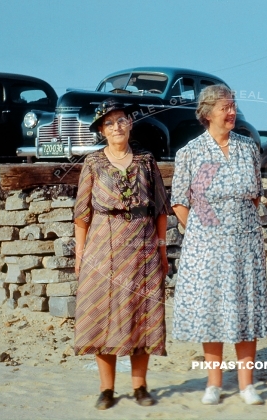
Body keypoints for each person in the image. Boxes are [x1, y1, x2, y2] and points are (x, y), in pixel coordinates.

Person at [171, 84, 267, 406]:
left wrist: (237, 228)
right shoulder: (191, 152)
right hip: (207, 246)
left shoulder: (248, 147)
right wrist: (207, 231)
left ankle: (246, 385)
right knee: (212, 311)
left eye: (233, 106)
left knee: (245, 310)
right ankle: (214, 384)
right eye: (225, 107)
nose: (232, 112)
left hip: (245, 244)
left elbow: (255, 195)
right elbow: (180, 202)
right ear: (207, 113)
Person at [73, 98, 172, 409]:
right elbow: (82, 213)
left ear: (130, 124)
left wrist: (161, 248)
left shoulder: (146, 161)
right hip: (103, 248)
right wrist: (79, 253)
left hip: (142, 247)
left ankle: (140, 386)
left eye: (121, 120)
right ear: (102, 131)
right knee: (102, 313)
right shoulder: (92, 164)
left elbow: (160, 210)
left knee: (141, 313)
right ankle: (107, 389)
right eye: (109, 122)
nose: (117, 126)